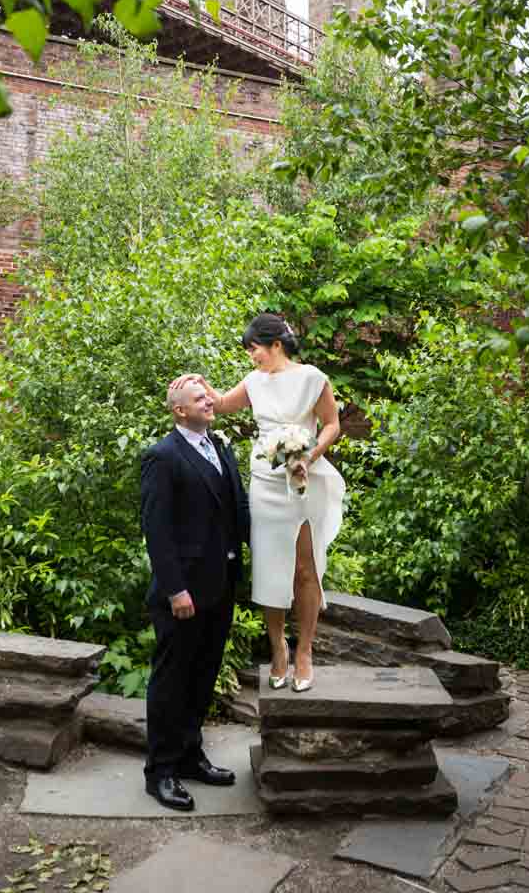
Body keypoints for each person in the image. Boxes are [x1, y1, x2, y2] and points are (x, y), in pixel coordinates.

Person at [171, 313, 344, 693]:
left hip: (303, 479)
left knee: (305, 567)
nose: (252, 357)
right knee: (268, 567)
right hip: (266, 482)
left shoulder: (313, 378)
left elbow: (332, 423)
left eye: (254, 349)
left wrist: (310, 455)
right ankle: (278, 647)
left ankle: (305, 653)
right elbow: (221, 403)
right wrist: (195, 382)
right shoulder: (254, 382)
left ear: (275, 345)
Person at [140, 377, 250, 812]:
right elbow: (157, 529)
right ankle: (160, 772)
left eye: (209, 395)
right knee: (171, 682)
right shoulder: (162, 456)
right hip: (183, 594)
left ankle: (189, 757)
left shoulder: (220, 447)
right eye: (199, 397)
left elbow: (237, 508)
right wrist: (175, 589)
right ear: (179, 411)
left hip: (221, 585)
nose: (210, 400)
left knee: (203, 676)